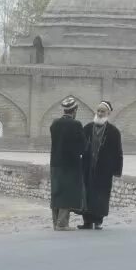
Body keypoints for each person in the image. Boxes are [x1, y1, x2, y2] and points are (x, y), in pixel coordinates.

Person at [79, 101, 123, 230]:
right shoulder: (87, 128)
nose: (99, 113)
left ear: (108, 113)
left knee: (101, 194)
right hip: (87, 167)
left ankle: (98, 220)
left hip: (104, 170)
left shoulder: (114, 132)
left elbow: (118, 152)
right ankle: (87, 221)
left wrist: (117, 170)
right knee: (87, 193)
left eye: (102, 111)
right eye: (98, 111)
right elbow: (80, 147)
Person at [49, 97, 87, 231]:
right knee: (67, 193)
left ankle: (55, 222)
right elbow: (83, 147)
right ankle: (62, 224)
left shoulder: (54, 124)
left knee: (57, 192)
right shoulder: (76, 124)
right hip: (70, 165)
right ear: (75, 110)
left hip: (55, 164)